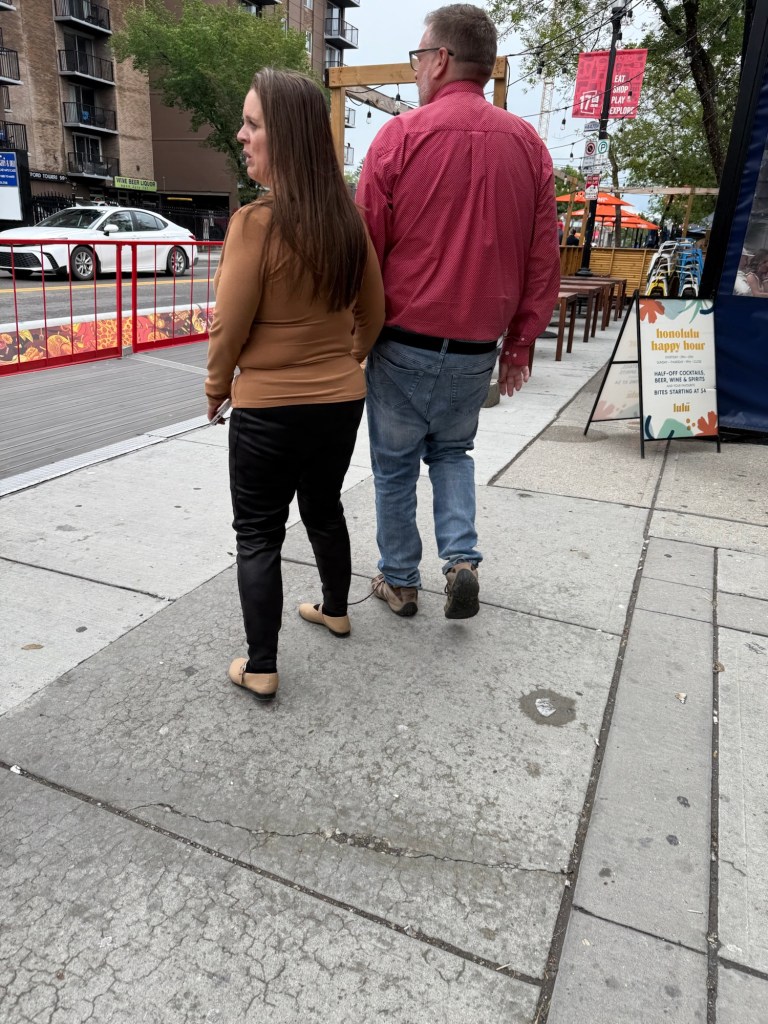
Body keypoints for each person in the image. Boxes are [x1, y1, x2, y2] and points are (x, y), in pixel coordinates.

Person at [356, 3, 560, 621]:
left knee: (394, 469)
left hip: (402, 343)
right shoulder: (529, 146)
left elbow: (365, 247)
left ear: (441, 59)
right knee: (453, 454)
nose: (416, 68)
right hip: (476, 349)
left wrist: (354, 335)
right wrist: (520, 343)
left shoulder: (400, 136)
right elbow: (542, 256)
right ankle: (461, 561)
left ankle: (401, 581)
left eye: (419, 56)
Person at [206, 69, 385, 702]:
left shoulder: (254, 223)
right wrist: (342, 361)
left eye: (252, 124)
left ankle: (261, 666)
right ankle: (335, 608)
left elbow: (229, 324)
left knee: (258, 532)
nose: (241, 135)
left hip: (268, 410)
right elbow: (374, 313)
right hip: (340, 400)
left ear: (284, 138)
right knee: (324, 504)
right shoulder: (348, 220)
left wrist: (215, 387)